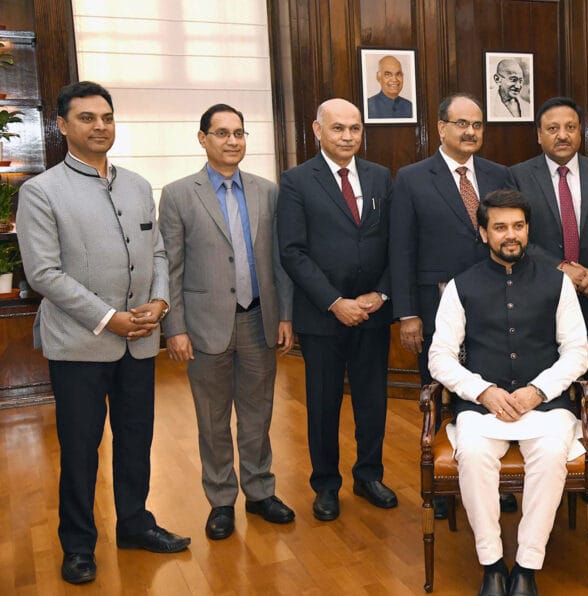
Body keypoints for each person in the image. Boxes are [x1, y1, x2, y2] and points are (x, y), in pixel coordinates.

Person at [17, 81, 190, 585]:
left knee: (137, 441)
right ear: (63, 126)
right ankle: (77, 545)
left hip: (139, 342)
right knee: (80, 448)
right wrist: (109, 318)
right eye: (87, 118)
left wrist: (159, 302)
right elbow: (45, 274)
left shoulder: (137, 185)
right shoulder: (41, 191)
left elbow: (157, 253)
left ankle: (135, 524)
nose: (100, 126)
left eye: (107, 117)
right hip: (79, 346)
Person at [428, 189, 588, 596]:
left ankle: (526, 568)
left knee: (552, 453)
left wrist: (539, 390)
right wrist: (482, 392)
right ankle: (492, 565)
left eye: (518, 226)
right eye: (500, 227)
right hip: (484, 408)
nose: (510, 235)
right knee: (475, 454)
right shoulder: (459, 287)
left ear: (528, 229)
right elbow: (440, 358)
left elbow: (577, 352)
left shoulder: (557, 283)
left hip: (546, 405)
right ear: (483, 233)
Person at [159, 103, 296, 540]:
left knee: (258, 414)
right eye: (221, 133)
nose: (232, 141)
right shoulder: (179, 193)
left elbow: (279, 262)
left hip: (259, 320)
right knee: (213, 419)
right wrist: (174, 328)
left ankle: (259, 492)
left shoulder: (267, 191)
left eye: (239, 133)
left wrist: (286, 316)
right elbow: (171, 267)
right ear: (203, 138)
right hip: (203, 328)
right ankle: (221, 500)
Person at [390, 93, 516, 518]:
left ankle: (493, 480)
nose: (470, 132)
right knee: (440, 395)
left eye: (477, 125)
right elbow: (401, 248)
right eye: (461, 124)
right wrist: (408, 313)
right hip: (434, 303)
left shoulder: (500, 174)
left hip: (493, 303)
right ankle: (442, 487)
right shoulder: (411, 177)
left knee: (491, 390)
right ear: (441, 127)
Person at [277, 98, 397, 520]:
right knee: (323, 404)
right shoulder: (295, 181)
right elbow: (292, 252)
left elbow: (393, 244)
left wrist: (381, 294)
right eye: (338, 128)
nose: (348, 136)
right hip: (323, 315)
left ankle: (369, 476)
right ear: (317, 129)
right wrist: (334, 302)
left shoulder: (381, 177)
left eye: (356, 129)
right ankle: (326, 484)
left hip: (373, 313)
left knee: (371, 400)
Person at [510, 96, 588, 505]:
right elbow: (517, 236)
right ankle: (542, 471)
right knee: (545, 388)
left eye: (570, 127)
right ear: (539, 134)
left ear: (582, 131)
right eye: (552, 128)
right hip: (541, 300)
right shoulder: (517, 176)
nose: (562, 135)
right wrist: (565, 267)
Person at [366, 55, 413, 119]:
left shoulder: (410, 107)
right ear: (378, 77)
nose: (394, 79)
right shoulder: (368, 106)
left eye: (398, 74)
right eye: (388, 74)